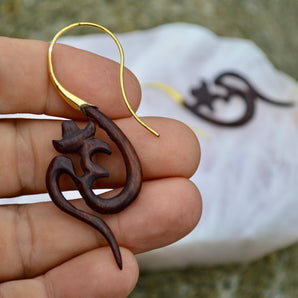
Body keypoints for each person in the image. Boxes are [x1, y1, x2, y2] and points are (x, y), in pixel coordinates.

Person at [0, 36, 202, 297]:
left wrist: (92, 113)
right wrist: (92, 114)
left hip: (100, 179)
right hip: (93, 183)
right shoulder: (83, 147)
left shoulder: (91, 142)